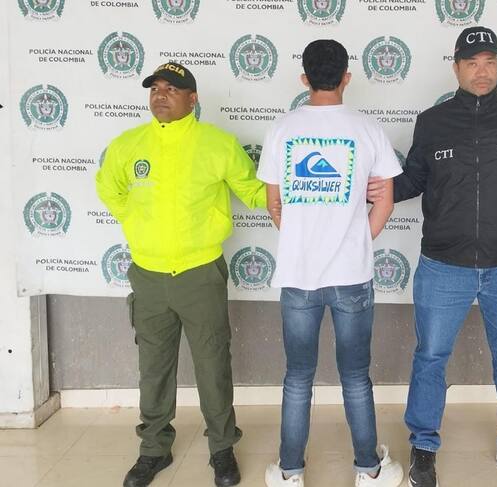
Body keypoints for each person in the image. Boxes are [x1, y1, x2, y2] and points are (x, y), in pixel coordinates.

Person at [368, 26, 497, 487]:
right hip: (444, 265)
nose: (482, 71)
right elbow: (413, 179)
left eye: (490, 62)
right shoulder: (433, 122)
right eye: (472, 63)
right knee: (430, 357)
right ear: (456, 67)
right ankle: (423, 447)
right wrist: (367, 186)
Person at [96, 62, 266, 487]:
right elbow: (109, 189)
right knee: (153, 367)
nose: (160, 95)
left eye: (171, 89)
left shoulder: (218, 144)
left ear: (193, 99)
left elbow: (254, 192)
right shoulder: (128, 144)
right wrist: (139, 223)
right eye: (155, 88)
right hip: (148, 276)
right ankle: (153, 449)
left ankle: (222, 449)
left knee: (212, 365)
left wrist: (305, 194)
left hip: (200, 273)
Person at [257, 39, 404, 487]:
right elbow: (385, 202)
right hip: (351, 276)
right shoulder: (367, 128)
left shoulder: (282, 128)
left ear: (304, 78)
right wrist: (354, 240)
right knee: (355, 377)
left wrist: (304, 240)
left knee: (297, 377)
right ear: (346, 77)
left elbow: (274, 204)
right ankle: (368, 470)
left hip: (298, 276)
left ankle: (289, 473)